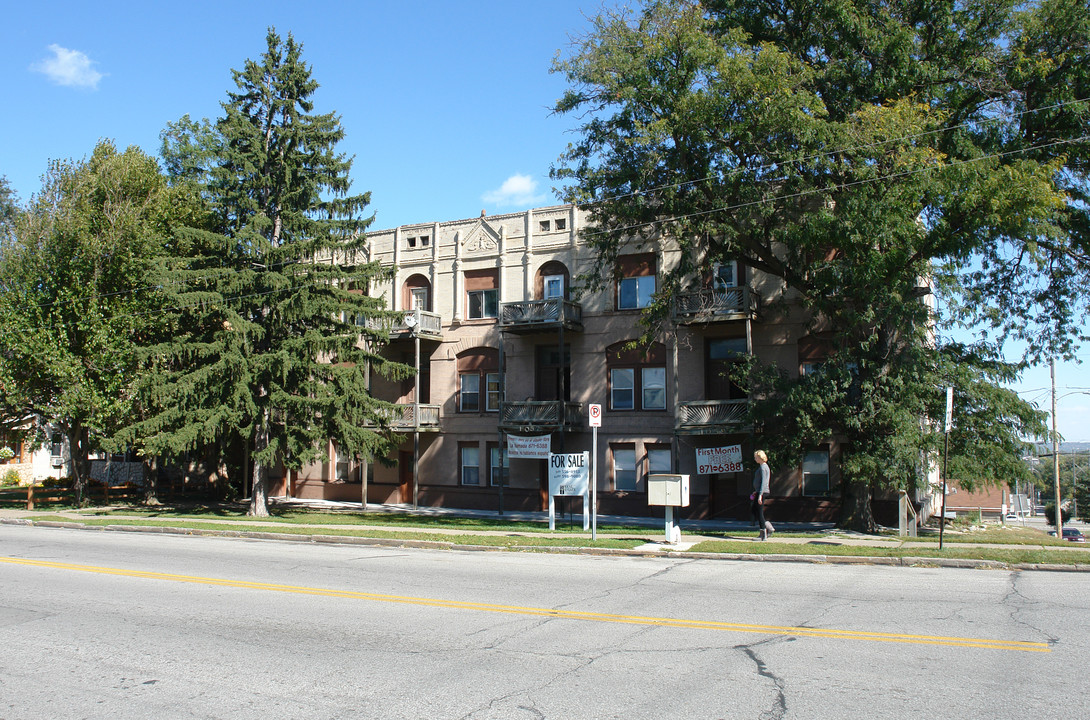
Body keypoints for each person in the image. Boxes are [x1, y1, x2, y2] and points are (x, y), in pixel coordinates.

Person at [752, 450, 775, 540]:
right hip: (759, 491)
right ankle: (768, 527)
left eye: (756, 457)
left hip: (762, 492)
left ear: (760, 457)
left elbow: (764, 482)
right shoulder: (762, 467)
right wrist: (756, 491)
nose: (755, 459)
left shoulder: (763, 467)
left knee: (759, 512)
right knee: (755, 510)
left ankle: (763, 534)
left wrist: (760, 494)